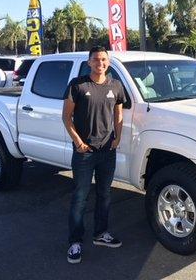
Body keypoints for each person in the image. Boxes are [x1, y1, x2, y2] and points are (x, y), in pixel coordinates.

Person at [62, 46, 126, 264]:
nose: (101, 63)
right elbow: (66, 117)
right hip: (84, 153)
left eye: (104, 59)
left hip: (107, 151)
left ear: (108, 62)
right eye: (96, 60)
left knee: (105, 195)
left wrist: (118, 138)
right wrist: (78, 142)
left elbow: (118, 114)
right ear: (89, 62)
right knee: (80, 197)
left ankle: (101, 234)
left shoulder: (116, 85)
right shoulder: (78, 85)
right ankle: (75, 242)